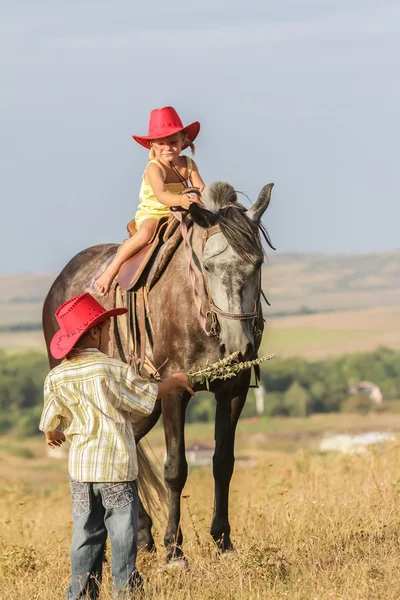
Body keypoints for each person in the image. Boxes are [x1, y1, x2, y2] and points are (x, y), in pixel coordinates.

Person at [39, 292, 194, 599]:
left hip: (81, 472)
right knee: (122, 535)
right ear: (94, 331)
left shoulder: (57, 376)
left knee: (86, 534)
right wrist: (175, 381)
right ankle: (126, 590)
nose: (110, 336)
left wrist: (51, 434)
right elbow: (147, 397)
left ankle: (81, 593)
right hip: (116, 468)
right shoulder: (113, 369)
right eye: (108, 329)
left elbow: (50, 418)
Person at [94, 106, 205, 296]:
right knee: (146, 233)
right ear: (152, 145)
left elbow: (201, 187)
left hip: (181, 211)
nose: (167, 148)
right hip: (154, 212)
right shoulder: (154, 167)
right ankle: (110, 272)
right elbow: (161, 195)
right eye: (161, 143)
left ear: (182, 140)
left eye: (172, 142)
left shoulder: (188, 164)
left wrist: (201, 199)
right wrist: (181, 199)